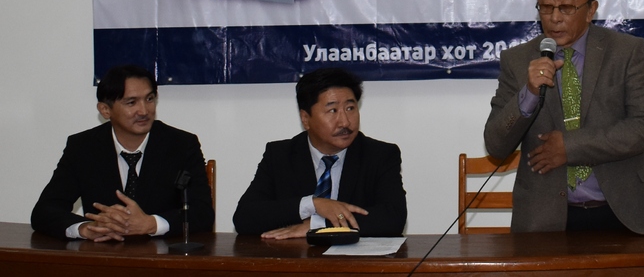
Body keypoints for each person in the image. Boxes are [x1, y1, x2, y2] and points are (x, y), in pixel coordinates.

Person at [484, 0, 644, 236]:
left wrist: (570, 146)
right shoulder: (518, 60)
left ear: (590, 10)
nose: (555, 18)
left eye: (566, 7)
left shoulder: (624, 52)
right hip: (545, 219)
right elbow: (495, 145)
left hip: (624, 213)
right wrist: (529, 93)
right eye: (546, 7)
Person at [31, 65, 214, 241]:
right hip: (103, 255)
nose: (144, 111)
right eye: (131, 102)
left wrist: (151, 224)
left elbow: (203, 213)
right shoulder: (83, 147)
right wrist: (85, 228)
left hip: (163, 255)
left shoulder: (181, 145)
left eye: (149, 99)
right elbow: (45, 211)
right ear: (105, 110)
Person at [233, 67, 407, 238]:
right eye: (332, 110)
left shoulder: (380, 155)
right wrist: (312, 204)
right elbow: (245, 217)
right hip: (296, 256)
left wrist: (319, 225)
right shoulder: (280, 155)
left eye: (350, 108)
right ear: (305, 119)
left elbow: (393, 218)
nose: (345, 122)